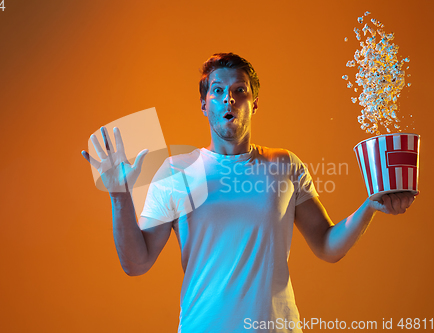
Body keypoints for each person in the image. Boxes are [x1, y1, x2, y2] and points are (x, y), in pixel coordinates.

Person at [81, 53, 416, 333]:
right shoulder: (175, 170)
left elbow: (328, 246)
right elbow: (136, 263)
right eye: (218, 90)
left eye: (239, 90)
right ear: (203, 104)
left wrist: (369, 207)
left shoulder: (284, 164)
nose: (229, 98)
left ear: (254, 103)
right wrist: (119, 195)